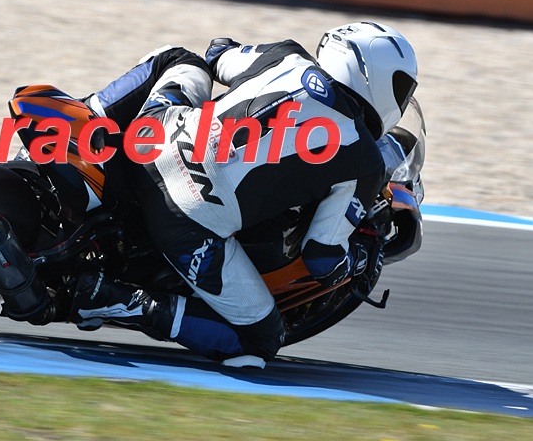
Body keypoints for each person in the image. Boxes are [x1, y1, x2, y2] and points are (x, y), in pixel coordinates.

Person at [70, 22, 419, 365]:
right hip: (184, 216)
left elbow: (216, 54)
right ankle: (114, 299)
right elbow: (321, 258)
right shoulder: (366, 161)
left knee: (178, 59)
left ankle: (81, 118)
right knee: (261, 341)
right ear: (376, 78)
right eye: (402, 89)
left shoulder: (288, 55)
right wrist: (357, 260)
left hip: (153, 134)